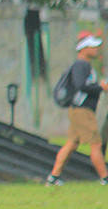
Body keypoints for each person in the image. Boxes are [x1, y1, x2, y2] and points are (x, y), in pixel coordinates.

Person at [46, 32, 108, 186]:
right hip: (82, 111)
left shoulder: (85, 66)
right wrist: (100, 87)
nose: (96, 50)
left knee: (71, 144)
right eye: (93, 47)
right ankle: (105, 178)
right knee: (96, 144)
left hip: (79, 110)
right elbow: (80, 85)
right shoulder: (81, 65)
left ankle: (53, 177)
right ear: (84, 49)